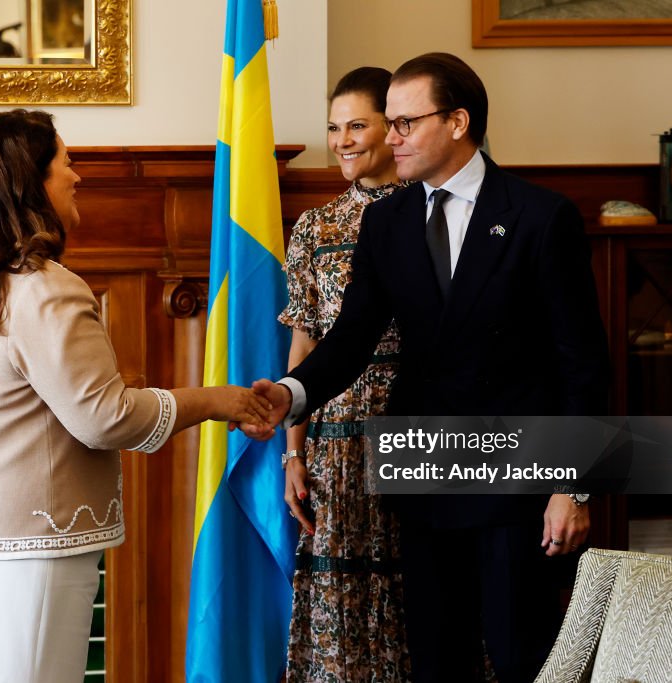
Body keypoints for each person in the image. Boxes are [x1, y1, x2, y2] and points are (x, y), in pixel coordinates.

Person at [245, 53, 609, 682]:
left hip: (517, 483)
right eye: (388, 123)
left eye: (405, 123)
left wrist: (572, 487)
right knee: (440, 663)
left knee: (524, 658)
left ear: (459, 122)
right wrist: (290, 394)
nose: (390, 138)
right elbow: (351, 337)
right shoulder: (387, 222)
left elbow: (582, 364)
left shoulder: (542, 216)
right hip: (425, 475)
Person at [0, 109, 269, 683]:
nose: (77, 177)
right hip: (22, 548)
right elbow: (106, 417)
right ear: (32, 184)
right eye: (66, 163)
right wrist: (216, 400)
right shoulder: (46, 288)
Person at [280, 66, 410, 682]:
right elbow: (304, 342)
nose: (342, 140)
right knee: (341, 603)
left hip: (421, 432)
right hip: (334, 442)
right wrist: (292, 454)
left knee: (422, 595)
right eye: (334, 128)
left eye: (357, 124)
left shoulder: (433, 214)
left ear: (396, 126)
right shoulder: (314, 228)